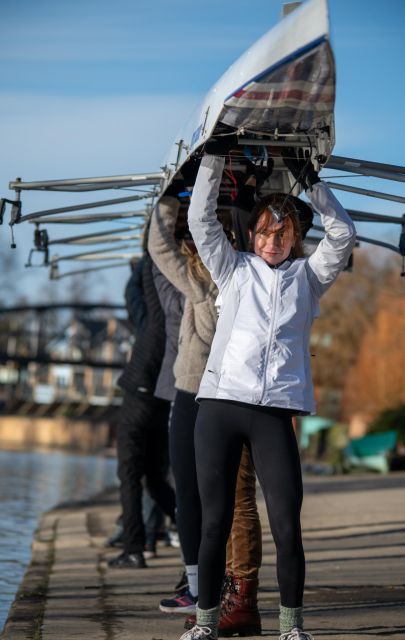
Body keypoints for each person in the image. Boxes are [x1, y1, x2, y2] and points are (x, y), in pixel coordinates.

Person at [180, 148, 356, 640]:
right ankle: (205, 624)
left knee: (286, 525)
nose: (270, 242)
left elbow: (342, 232)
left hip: (273, 413)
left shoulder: (310, 278)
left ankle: (292, 627)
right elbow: (199, 218)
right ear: (251, 235)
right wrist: (213, 159)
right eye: (261, 232)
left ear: (295, 238)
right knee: (214, 523)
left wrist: (310, 181)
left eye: (281, 234)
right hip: (219, 407)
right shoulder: (233, 269)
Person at [148, 187, 263, 633]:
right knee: (188, 492)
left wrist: (239, 198)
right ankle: (196, 587)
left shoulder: (246, 273)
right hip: (190, 388)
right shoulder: (193, 276)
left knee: (225, 498)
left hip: (229, 393)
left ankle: (221, 592)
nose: (202, 240)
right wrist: (169, 195)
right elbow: (159, 244)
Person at [108, 255, 177, 569]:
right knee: (155, 479)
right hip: (163, 401)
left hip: (138, 397)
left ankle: (133, 548)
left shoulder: (151, 316)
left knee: (129, 475)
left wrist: (146, 260)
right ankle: (195, 532)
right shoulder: (182, 318)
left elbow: (134, 291)